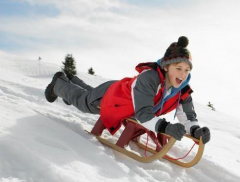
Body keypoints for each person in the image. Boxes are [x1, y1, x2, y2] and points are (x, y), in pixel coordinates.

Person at [45, 36, 210, 144]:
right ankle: (58, 83)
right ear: (167, 67)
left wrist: (196, 130)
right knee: (84, 102)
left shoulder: (182, 90)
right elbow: (144, 115)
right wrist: (166, 128)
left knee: (88, 95)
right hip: (112, 96)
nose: (182, 74)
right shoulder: (150, 78)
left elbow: (188, 117)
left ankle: (73, 81)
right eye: (178, 68)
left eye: (187, 70)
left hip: (125, 98)